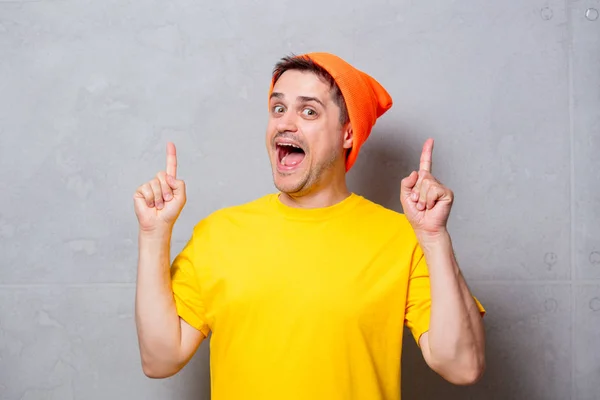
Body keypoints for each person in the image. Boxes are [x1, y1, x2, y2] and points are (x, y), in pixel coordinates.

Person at [133, 52, 486, 400]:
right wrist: (153, 235)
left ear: (348, 133)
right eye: (278, 108)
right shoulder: (217, 234)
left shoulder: (402, 239)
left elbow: (462, 366)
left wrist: (434, 238)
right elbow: (160, 359)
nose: (286, 123)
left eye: (309, 111)